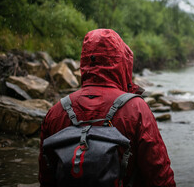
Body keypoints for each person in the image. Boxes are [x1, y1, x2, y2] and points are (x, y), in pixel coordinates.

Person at [38, 29, 176, 187]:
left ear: (84, 61)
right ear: (121, 61)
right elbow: (159, 175)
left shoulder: (56, 112)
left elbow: (46, 177)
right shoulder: (136, 109)